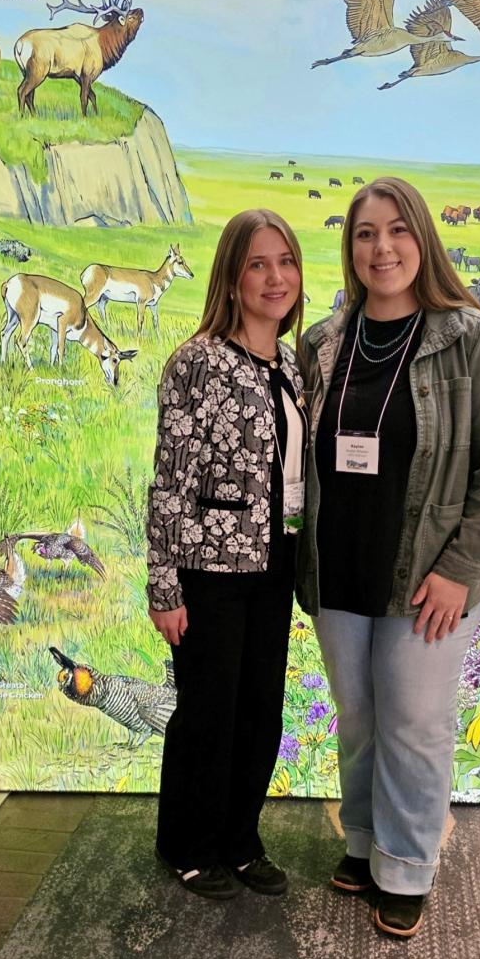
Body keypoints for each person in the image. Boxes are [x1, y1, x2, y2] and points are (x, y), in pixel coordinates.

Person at [297, 177, 480, 938]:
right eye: (365, 234)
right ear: (350, 247)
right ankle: (364, 844)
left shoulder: (469, 338)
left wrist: (462, 569)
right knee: (359, 718)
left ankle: (407, 866)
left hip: (428, 573)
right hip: (340, 569)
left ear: (422, 239)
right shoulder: (325, 343)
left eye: (396, 231)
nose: (381, 247)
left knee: (417, 723)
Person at [147, 209, 307, 900]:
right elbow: (170, 479)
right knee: (208, 713)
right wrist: (164, 586)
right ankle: (187, 844)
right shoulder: (197, 361)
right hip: (208, 573)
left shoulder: (293, 365)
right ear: (232, 279)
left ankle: (241, 841)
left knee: (259, 712)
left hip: (275, 567)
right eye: (258, 264)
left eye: (286, 261)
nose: (276, 277)